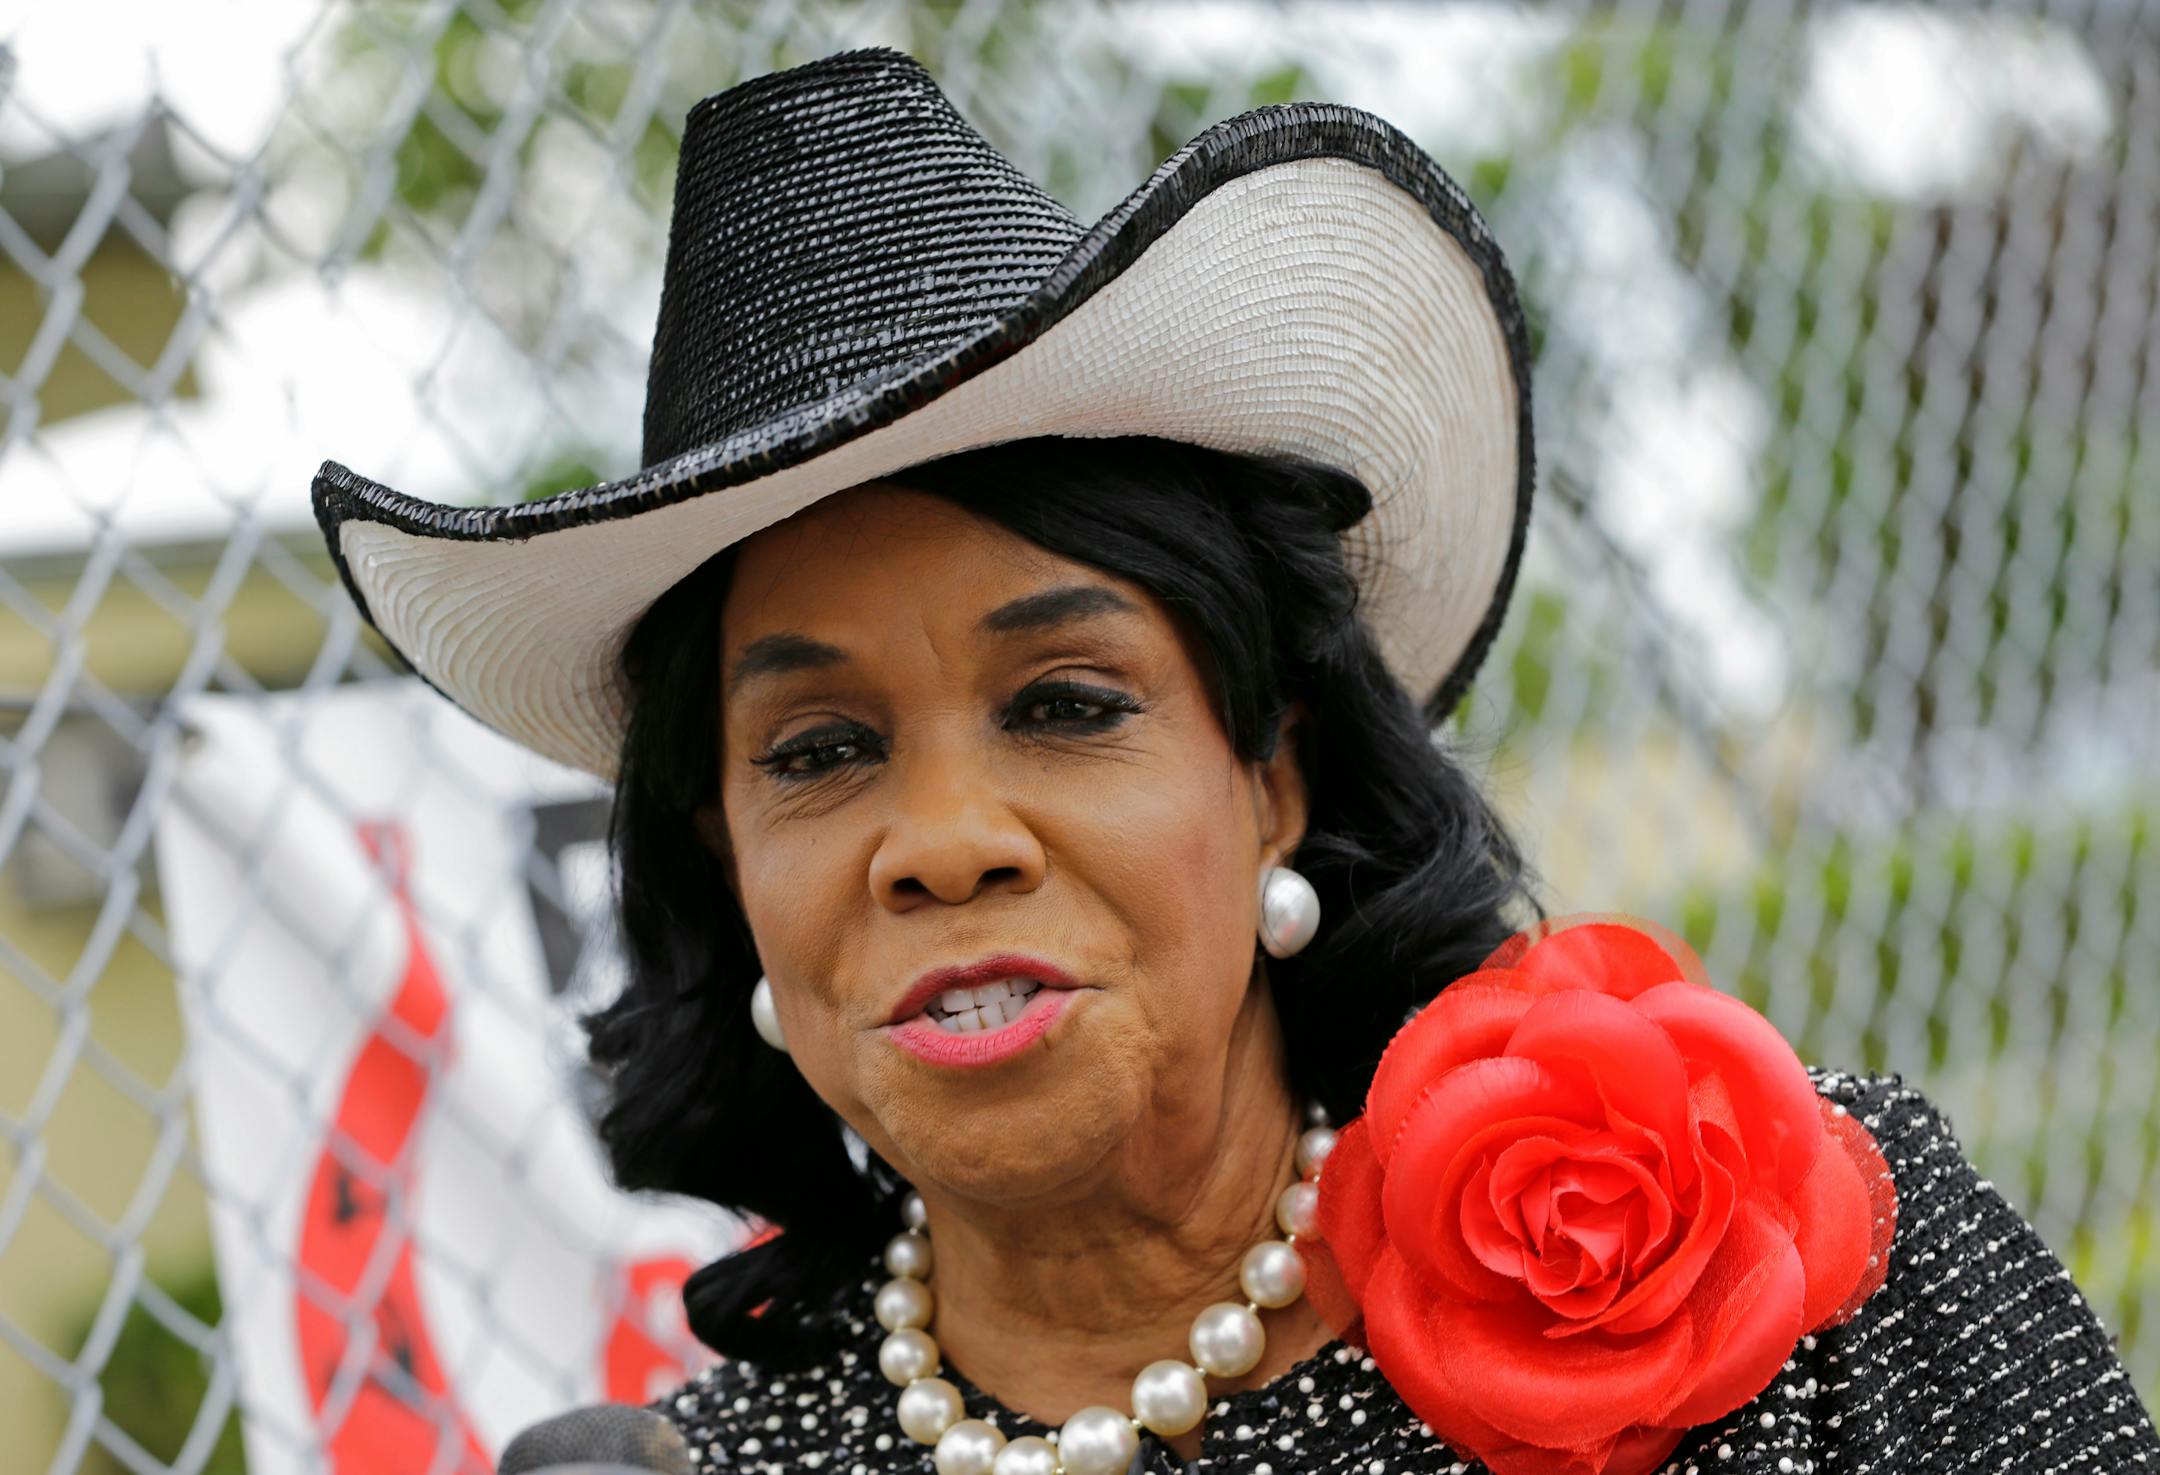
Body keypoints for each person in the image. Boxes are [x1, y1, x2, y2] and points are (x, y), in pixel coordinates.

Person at [310, 47, 2157, 1475]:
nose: (940, 841)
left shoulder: (1796, 1264)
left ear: (1275, 776)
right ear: (728, 864)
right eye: (820, 750)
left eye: (1065, 703)